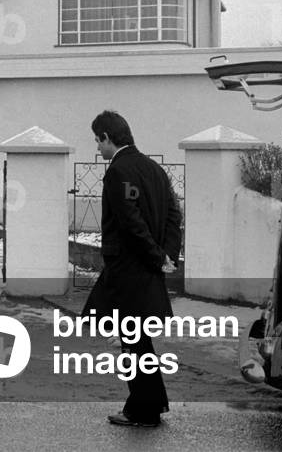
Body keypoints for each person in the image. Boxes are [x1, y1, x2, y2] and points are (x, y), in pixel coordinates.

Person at [82, 110, 182, 428]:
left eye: (98, 141)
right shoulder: (153, 168)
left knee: (134, 342)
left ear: (108, 138)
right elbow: (172, 214)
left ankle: (143, 409)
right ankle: (147, 405)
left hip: (129, 270)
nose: (98, 149)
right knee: (138, 341)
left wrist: (156, 256)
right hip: (147, 269)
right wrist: (168, 255)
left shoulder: (117, 171)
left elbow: (130, 221)